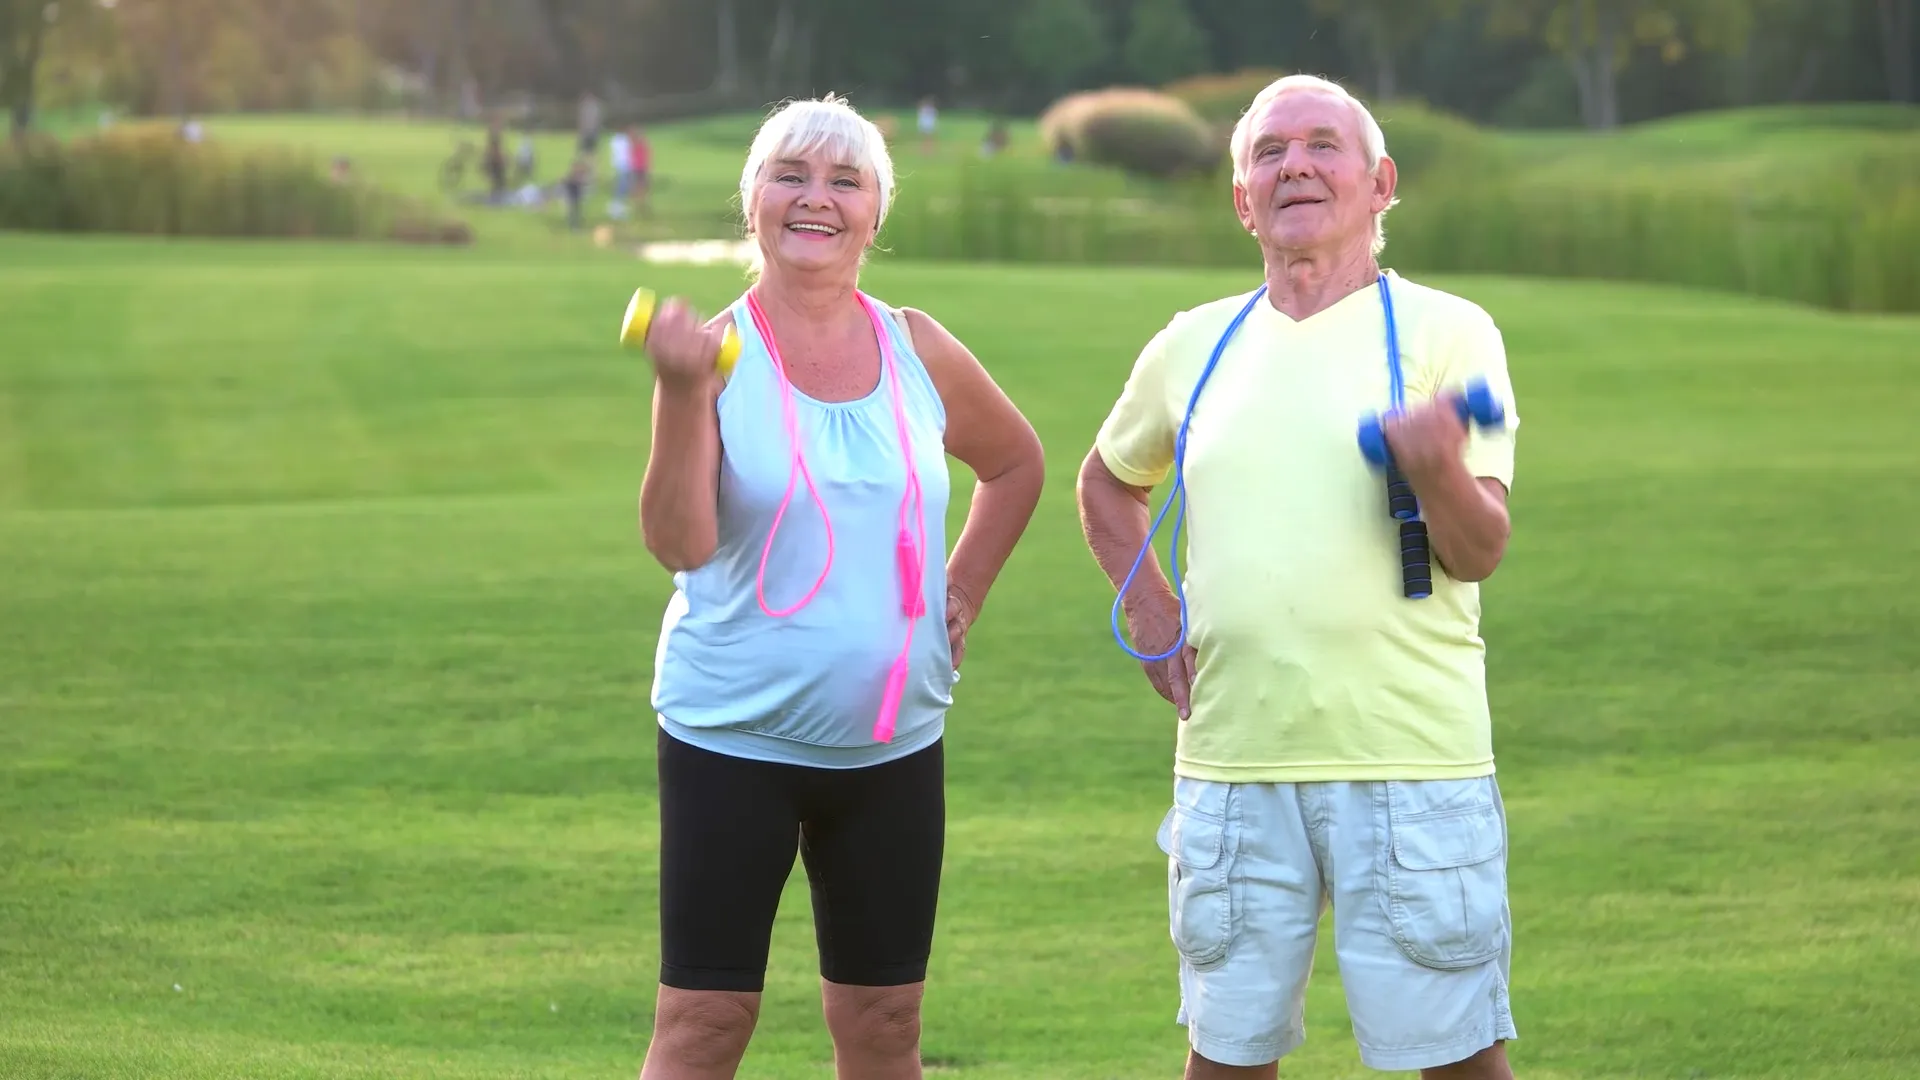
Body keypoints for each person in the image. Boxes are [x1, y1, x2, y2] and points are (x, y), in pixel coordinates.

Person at [1075, 74, 1523, 1080]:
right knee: (1226, 1062)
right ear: (1242, 200)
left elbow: (1479, 549)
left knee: (1459, 1062)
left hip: (1412, 763)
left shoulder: (1454, 333)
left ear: (1380, 182)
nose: (1296, 167)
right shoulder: (1192, 343)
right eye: (1268, 153)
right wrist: (1151, 608)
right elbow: (1108, 482)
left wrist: (1439, 464)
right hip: (1232, 767)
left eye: (1323, 145)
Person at [634, 93, 1046, 1079]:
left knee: (885, 1025)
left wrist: (964, 591)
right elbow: (680, 544)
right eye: (791, 176)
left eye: (844, 181)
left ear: (874, 215)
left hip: (894, 742)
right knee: (704, 1023)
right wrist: (684, 392)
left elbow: (1018, 463)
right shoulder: (711, 356)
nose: (816, 198)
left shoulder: (918, 346)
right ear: (754, 203)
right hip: (732, 737)